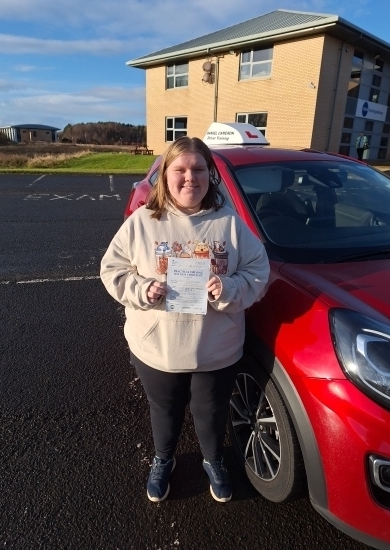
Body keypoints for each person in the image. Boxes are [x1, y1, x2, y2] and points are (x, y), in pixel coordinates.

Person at [100, 136, 270, 504]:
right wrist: (141, 289)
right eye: (180, 169)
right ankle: (163, 459)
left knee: (211, 411)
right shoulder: (143, 222)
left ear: (210, 175)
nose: (189, 178)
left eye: (198, 169)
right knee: (165, 409)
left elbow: (258, 272)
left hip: (216, 348)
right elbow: (112, 270)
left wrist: (226, 288)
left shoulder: (229, 223)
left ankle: (213, 460)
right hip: (157, 346)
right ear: (164, 176)